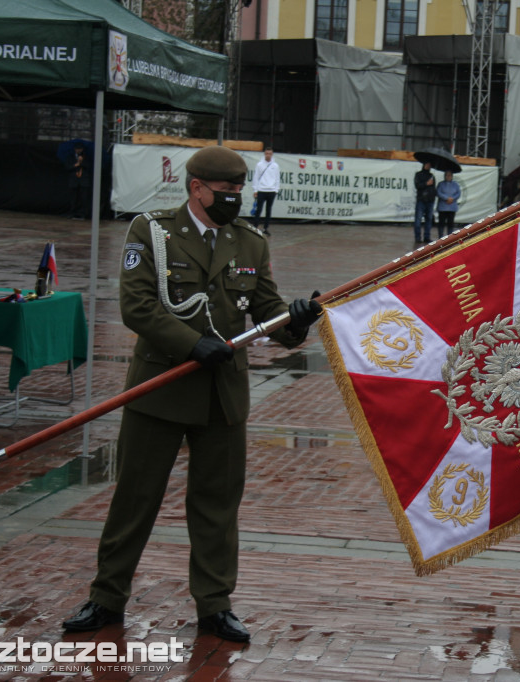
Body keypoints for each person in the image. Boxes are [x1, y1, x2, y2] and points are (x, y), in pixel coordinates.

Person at [61, 145, 322, 643]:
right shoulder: (152, 232)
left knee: (217, 506)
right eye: (225, 191)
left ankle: (215, 605)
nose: (234, 199)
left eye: (240, 191)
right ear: (196, 187)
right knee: (135, 499)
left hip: (222, 397)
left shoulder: (249, 243)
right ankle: (106, 597)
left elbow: (266, 315)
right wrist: (191, 345)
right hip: (160, 389)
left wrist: (298, 319)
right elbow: (136, 306)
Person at [252, 147, 279, 236]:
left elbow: (277, 178)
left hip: (271, 191)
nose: (268, 155)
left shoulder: (275, 166)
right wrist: (255, 190)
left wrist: (276, 190)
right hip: (261, 190)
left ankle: (265, 228)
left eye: (270, 154)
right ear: (264, 154)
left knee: (268, 210)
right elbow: (256, 177)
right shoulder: (259, 165)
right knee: (259, 209)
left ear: (272, 154)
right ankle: (255, 227)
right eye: (266, 153)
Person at [65, 142, 92, 220]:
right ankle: (72, 213)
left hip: (84, 181)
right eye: (77, 149)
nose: (78, 151)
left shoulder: (86, 157)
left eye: (80, 149)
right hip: (74, 180)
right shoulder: (70, 157)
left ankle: (83, 213)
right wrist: (75, 165)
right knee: (73, 198)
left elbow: (89, 166)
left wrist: (81, 162)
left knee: (84, 198)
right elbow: (67, 167)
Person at [414, 161, 436, 243]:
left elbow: (433, 188)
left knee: (429, 219)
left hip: (429, 201)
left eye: (429, 164)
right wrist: (426, 183)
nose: (428, 166)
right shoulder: (418, 175)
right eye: (427, 164)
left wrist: (433, 198)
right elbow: (417, 186)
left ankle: (427, 236)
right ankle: (418, 237)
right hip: (421, 200)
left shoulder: (431, 176)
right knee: (418, 219)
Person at [436, 170, 461, 238]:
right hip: (442, 207)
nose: (448, 177)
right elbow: (438, 192)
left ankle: (449, 238)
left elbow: (458, 193)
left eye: (449, 175)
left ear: (452, 176)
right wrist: (446, 198)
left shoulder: (455, 184)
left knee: (450, 224)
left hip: (452, 207)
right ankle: (440, 237)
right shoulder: (440, 184)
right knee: (441, 223)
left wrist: (452, 198)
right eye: (446, 175)